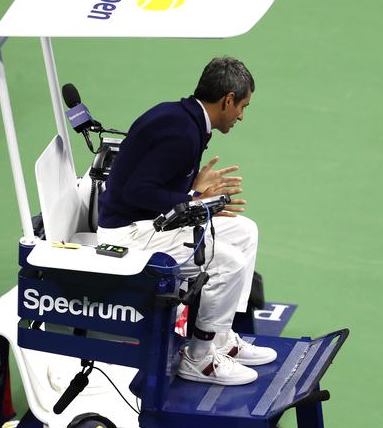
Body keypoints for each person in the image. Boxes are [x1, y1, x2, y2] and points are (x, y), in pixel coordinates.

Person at [97, 56, 276, 386]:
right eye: (243, 106)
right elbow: (139, 192)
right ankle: (200, 357)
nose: (241, 116)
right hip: (128, 235)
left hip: (152, 222)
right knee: (227, 260)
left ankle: (221, 337)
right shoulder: (182, 133)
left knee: (244, 231)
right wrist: (194, 202)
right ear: (227, 100)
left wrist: (193, 196)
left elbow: (155, 183)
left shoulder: (182, 119)